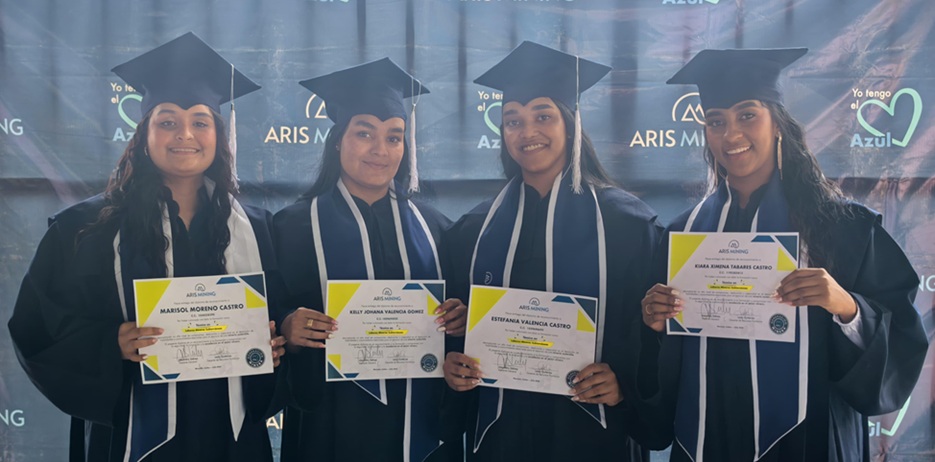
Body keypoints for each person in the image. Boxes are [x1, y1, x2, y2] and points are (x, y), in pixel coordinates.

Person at [638, 48, 929, 462]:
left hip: (806, 441)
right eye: (716, 121)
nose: (731, 134)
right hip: (708, 438)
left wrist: (844, 305)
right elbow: (663, 369)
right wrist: (656, 323)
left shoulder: (843, 227)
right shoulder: (684, 234)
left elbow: (901, 340)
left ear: (778, 123)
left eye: (747, 115)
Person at [7, 32, 286, 462]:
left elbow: (280, 319)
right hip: (131, 434)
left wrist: (274, 340)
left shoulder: (259, 229)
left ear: (218, 133)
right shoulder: (85, 228)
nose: (185, 134)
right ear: (144, 133)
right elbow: (38, 326)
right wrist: (108, 343)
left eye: (200, 121)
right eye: (168, 121)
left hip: (229, 435)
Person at [441, 41, 663, 461]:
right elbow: (457, 336)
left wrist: (624, 388)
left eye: (543, 115)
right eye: (512, 121)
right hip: (501, 438)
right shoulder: (472, 232)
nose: (527, 132)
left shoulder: (628, 226)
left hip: (596, 437)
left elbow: (654, 336)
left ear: (571, 123)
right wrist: (453, 368)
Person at [273, 58, 465, 462]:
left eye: (394, 137)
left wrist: (461, 320)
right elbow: (266, 314)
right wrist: (288, 326)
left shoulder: (438, 229)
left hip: (421, 420)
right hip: (328, 424)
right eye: (365, 133)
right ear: (339, 139)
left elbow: (461, 329)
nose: (381, 150)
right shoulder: (290, 228)